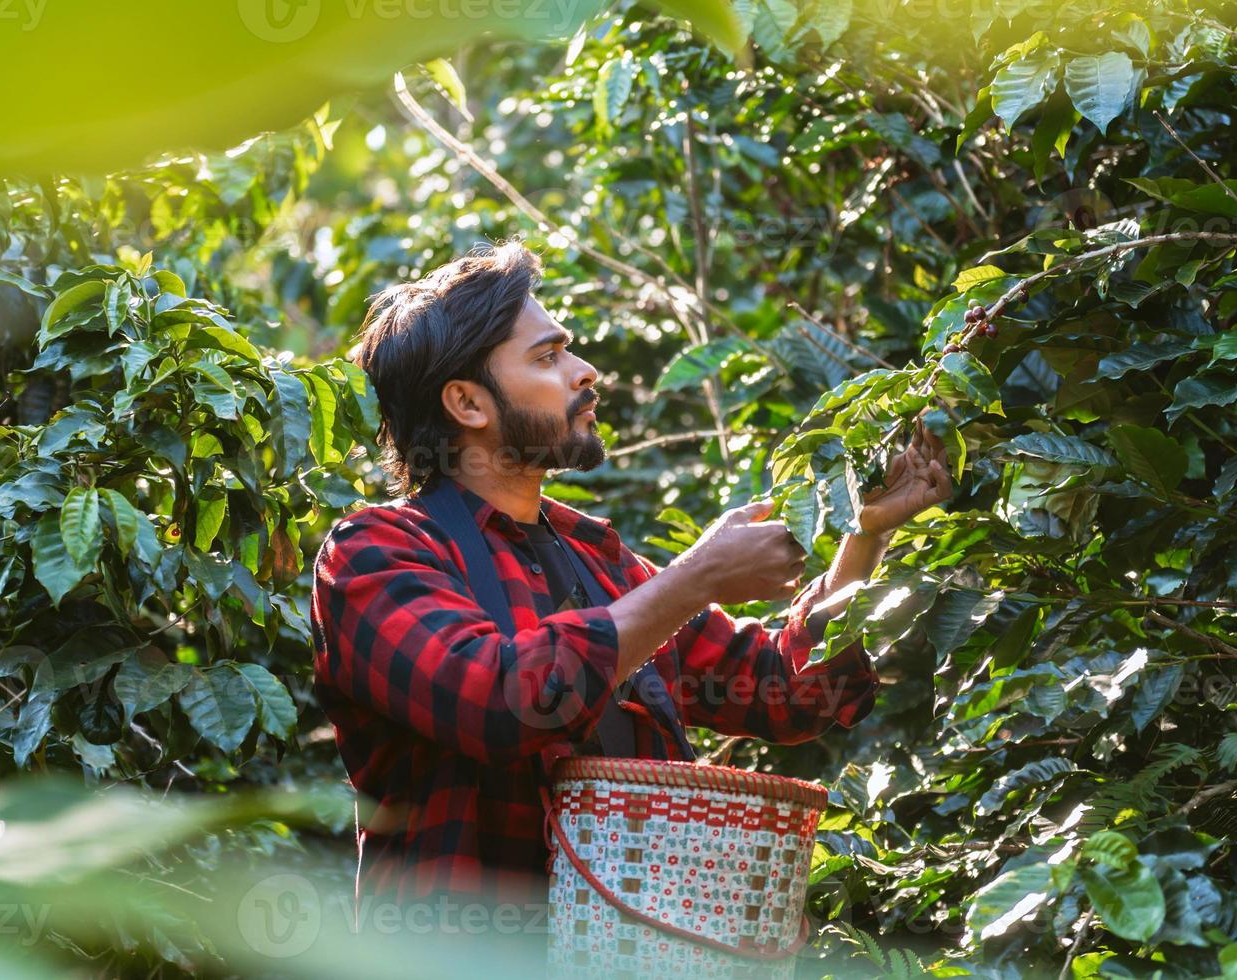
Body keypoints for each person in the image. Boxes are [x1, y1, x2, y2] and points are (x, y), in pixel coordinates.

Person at [308, 241, 952, 917]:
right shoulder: (377, 552)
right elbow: (500, 705)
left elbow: (791, 696)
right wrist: (693, 579)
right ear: (468, 403)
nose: (585, 372)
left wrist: (863, 532)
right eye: (547, 356)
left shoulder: (604, 565)